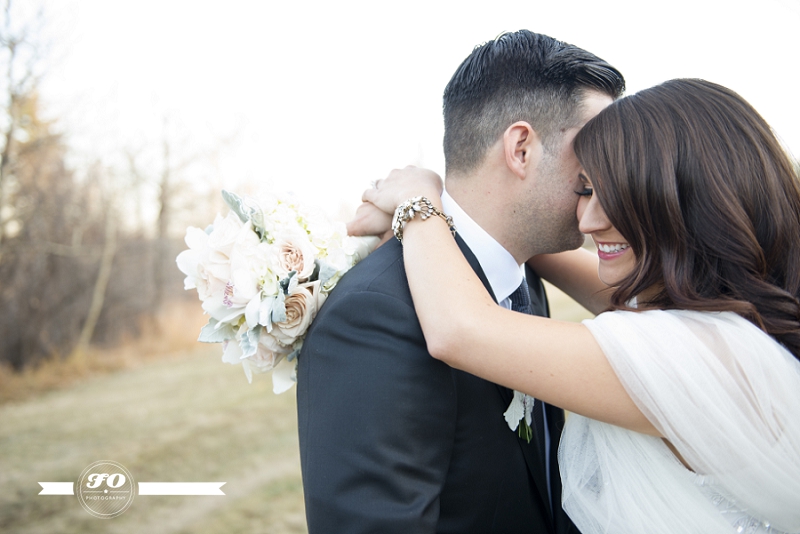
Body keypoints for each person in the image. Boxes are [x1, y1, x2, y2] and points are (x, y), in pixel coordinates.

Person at [356, 78, 800, 533]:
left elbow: (461, 329)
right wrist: (463, 209)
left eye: (614, 194)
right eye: (585, 190)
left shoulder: (704, 356)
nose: (587, 221)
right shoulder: (731, 317)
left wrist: (419, 201)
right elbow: (532, 244)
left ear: (686, 199)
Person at [296, 30, 624, 533]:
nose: (607, 181)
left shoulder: (524, 276)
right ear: (521, 149)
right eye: (594, 157)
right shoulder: (376, 314)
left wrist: (421, 208)